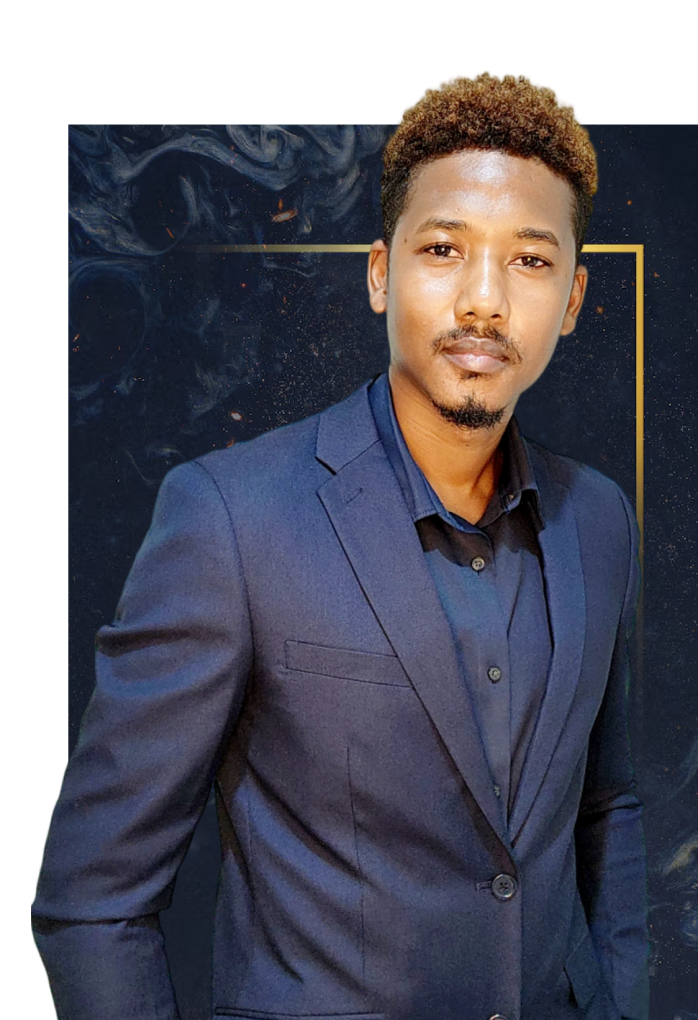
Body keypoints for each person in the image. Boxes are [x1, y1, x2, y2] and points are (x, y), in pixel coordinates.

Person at [39, 80, 649, 1020]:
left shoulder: (601, 520)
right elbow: (94, 900)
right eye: (443, 249)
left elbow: (609, 808)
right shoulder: (229, 519)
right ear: (379, 274)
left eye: (529, 260)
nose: (484, 300)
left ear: (571, 299)